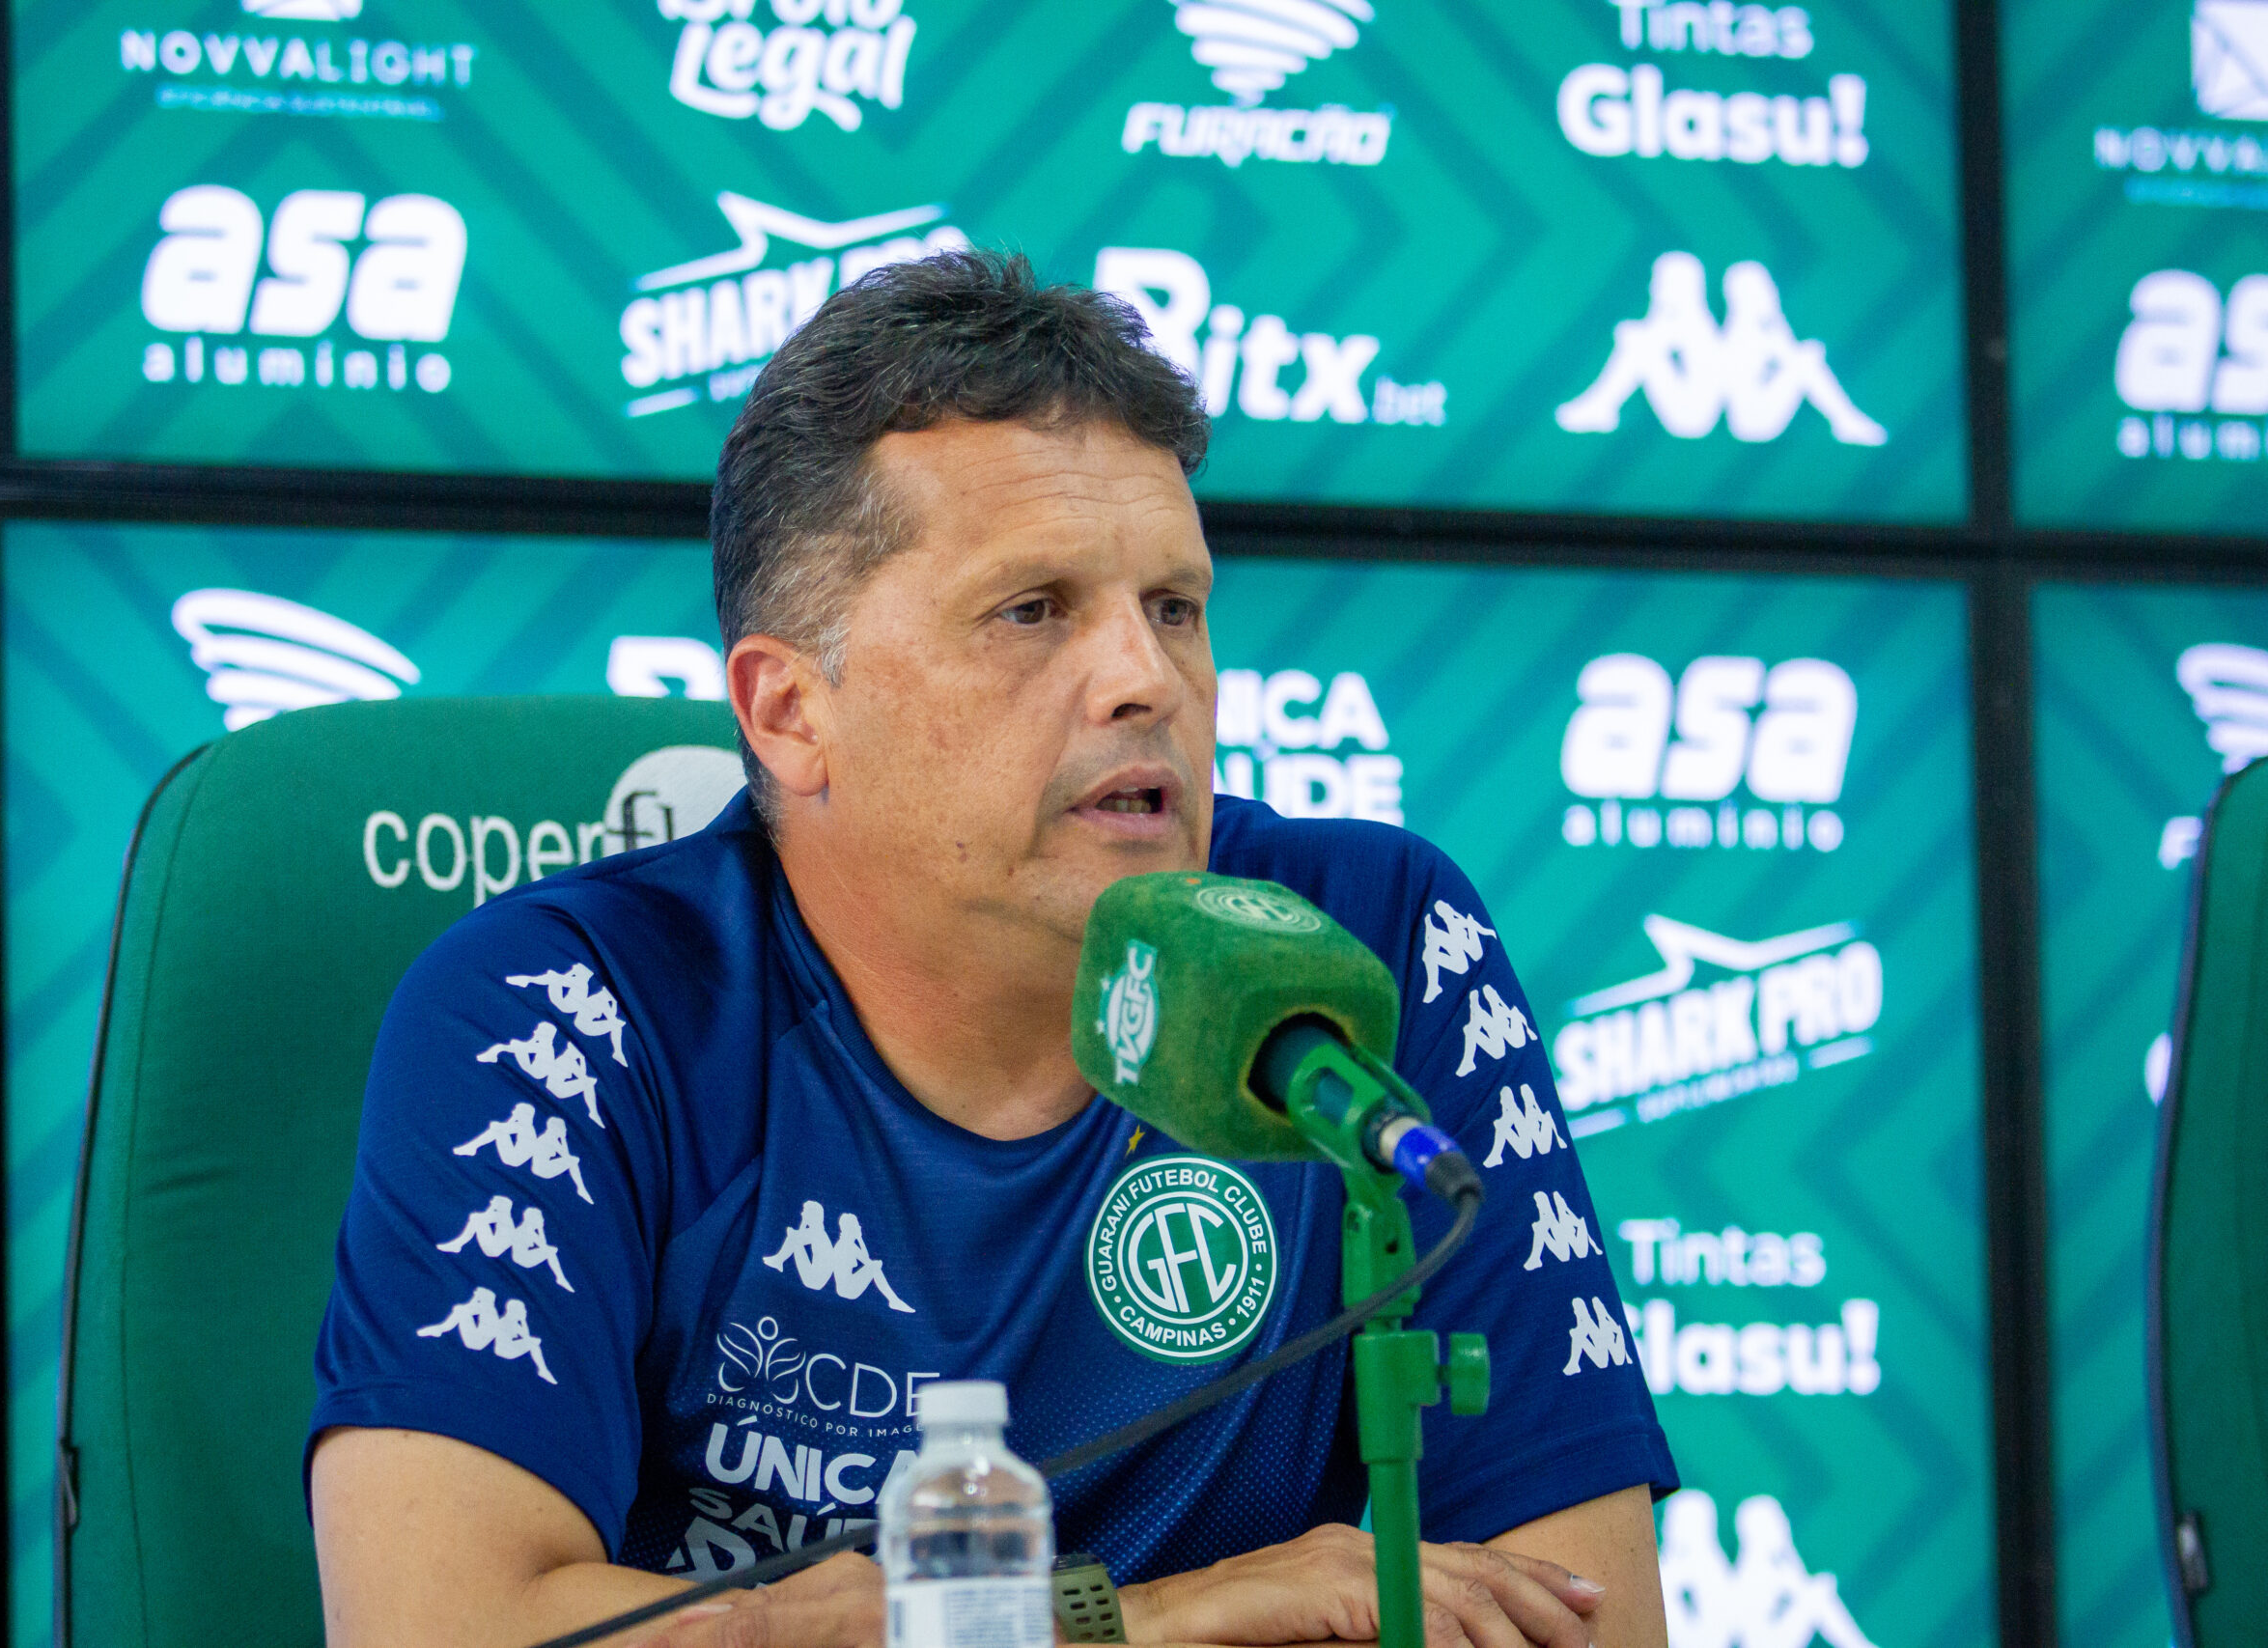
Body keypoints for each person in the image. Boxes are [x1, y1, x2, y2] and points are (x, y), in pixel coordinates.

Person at [308, 250, 1677, 1648]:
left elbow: (1586, 1622)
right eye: (1034, 611)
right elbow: (445, 1625)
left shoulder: (1366, 944)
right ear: (790, 712)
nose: (1147, 678)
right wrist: (1122, 1624)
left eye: (1176, 608)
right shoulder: (562, 1010)